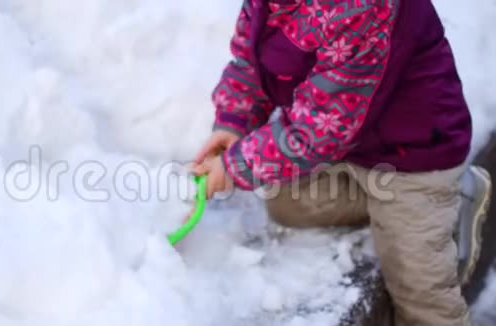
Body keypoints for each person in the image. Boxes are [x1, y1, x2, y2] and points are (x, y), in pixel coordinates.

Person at [192, 0, 492, 325]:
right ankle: (409, 211)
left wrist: (237, 166)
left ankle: (442, 203)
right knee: (286, 202)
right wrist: (233, 121)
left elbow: (319, 129)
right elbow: (249, 62)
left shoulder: (362, 9)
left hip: (415, 155)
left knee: (418, 286)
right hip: (355, 147)